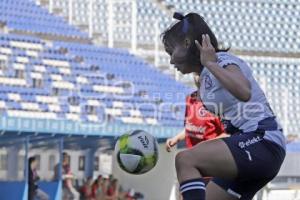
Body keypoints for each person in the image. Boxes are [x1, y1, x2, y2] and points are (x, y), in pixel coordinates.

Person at [161, 12, 286, 200]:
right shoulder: (202, 78)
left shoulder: (223, 61)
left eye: (172, 52)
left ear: (187, 43)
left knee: (185, 160)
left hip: (263, 141)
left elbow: (244, 91)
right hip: (249, 146)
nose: (171, 60)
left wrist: (211, 64)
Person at [165, 73, 227, 152]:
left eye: (201, 72)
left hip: (212, 156)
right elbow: (189, 128)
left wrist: (207, 146)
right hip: (193, 156)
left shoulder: (219, 102)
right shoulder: (189, 98)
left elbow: (227, 134)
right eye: (196, 73)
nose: (198, 76)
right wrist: (176, 138)